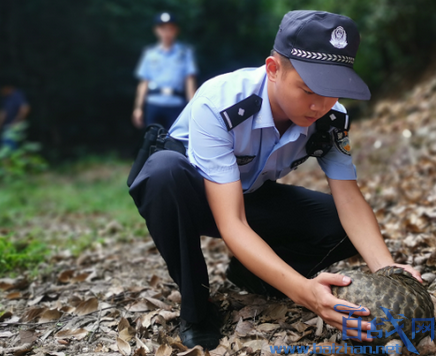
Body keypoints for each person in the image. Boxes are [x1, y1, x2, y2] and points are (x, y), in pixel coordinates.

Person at [128, 10, 422, 350]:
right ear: (273, 69)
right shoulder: (221, 102)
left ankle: (256, 275)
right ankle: (197, 308)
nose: (319, 105)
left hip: (251, 195)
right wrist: (304, 293)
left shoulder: (332, 118)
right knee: (163, 172)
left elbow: (350, 199)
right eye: (309, 89)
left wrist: (389, 272)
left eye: (332, 92)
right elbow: (232, 222)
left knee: (338, 224)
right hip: (192, 197)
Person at [132, 12, 197, 131]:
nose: (166, 32)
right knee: (151, 142)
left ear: (176, 30)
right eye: (163, 28)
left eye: (170, 28)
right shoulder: (149, 53)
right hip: (154, 102)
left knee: (174, 142)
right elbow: (144, 82)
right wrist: (138, 108)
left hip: (176, 104)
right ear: (156, 30)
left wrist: (193, 107)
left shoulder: (185, 53)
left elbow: (189, 81)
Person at [0, 79, 30, 150]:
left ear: (7, 88)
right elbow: (4, 113)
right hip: (6, 127)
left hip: (13, 126)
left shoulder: (17, 95)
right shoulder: (7, 98)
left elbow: (25, 108)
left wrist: (16, 122)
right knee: (4, 144)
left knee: (9, 146)